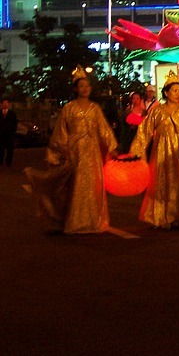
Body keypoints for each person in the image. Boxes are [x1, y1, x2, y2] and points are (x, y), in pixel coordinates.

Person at [24, 67, 118, 234]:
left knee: (93, 185)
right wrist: (62, 150)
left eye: (87, 86)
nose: (85, 89)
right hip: (75, 151)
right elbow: (60, 132)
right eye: (81, 86)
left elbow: (104, 129)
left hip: (92, 152)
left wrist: (112, 147)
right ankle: (75, 221)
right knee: (75, 185)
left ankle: (94, 221)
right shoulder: (69, 108)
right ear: (75, 89)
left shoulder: (95, 108)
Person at [129, 71, 179, 229]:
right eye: (174, 91)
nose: (177, 94)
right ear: (166, 92)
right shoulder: (157, 111)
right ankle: (164, 217)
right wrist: (136, 152)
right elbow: (145, 131)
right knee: (162, 183)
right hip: (162, 152)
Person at [0, 97, 18, 166]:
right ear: (1, 104)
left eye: (6, 103)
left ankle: (8, 162)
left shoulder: (12, 114)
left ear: (9, 104)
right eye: (3, 103)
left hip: (9, 134)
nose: (5, 105)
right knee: (0, 149)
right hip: (0, 134)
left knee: (10, 149)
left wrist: (12, 131)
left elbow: (14, 123)